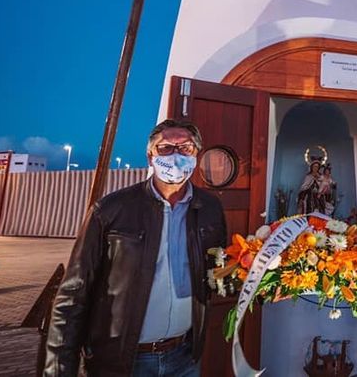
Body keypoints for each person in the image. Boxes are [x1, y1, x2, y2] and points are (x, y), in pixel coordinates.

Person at [45, 120, 227, 376]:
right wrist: (59, 370)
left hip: (185, 357)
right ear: (150, 156)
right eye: (165, 148)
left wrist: (266, 279)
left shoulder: (210, 209)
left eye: (185, 148)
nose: (175, 156)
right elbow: (73, 294)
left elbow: (220, 273)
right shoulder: (110, 210)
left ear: (196, 154)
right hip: (123, 362)